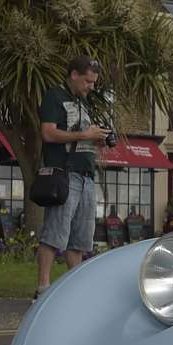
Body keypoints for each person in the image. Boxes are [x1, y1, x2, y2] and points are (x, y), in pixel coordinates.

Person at [36, 55, 109, 295]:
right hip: (65, 173)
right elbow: (48, 133)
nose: (91, 87)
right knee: (54, 233)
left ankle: (73, 291)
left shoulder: (83, 103)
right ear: (74, 75)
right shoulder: (54, 96)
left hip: (87, 174)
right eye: (87, 81)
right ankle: (43, 287)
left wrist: (98, 140)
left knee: (79, 239)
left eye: (94, 82)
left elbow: (83, 136)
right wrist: (85, 135)